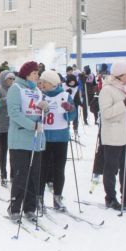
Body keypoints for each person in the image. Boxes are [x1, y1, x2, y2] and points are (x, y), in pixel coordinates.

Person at [99, 60, 126, 211]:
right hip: (112, 136)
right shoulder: (107, 90)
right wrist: (124, 104)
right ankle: (110, 198)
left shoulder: (124, 89)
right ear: (118, 75)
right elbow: (106, 113)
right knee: (111, 168)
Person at [5, 61, 45, 219]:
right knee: (21, 175)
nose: (37, 75)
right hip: (20, 138)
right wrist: (32, 125)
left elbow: (39, 111)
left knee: (34, 175)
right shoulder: (16, 88)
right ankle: (14, 208)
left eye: (37, 73)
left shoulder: (37, 90)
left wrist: (44, 108)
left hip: (36, 140)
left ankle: (30, 208)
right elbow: (14, 112)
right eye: (34, 73)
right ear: (26, 74)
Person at [37, 70, 76, 211]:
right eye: (41, 82)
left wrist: (70, 108)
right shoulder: (40, 95)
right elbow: (34, 115)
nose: (42, 84)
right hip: (44, 136)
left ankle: (57, 198)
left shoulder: (65, 95)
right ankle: (39, 198)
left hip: (60, 137)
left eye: (44, 82)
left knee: (59, 169)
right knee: (42, 168)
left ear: (52, 83)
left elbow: (72, 115)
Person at [0, 71, 15, 187]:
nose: (11, 81)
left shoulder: (15, 89)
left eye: (13, 79)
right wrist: (7, 99)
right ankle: (3, 174)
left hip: (13, 125)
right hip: (2, 125)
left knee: (13, 151)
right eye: (9, 79)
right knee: (3, 150)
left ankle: (13, 174)